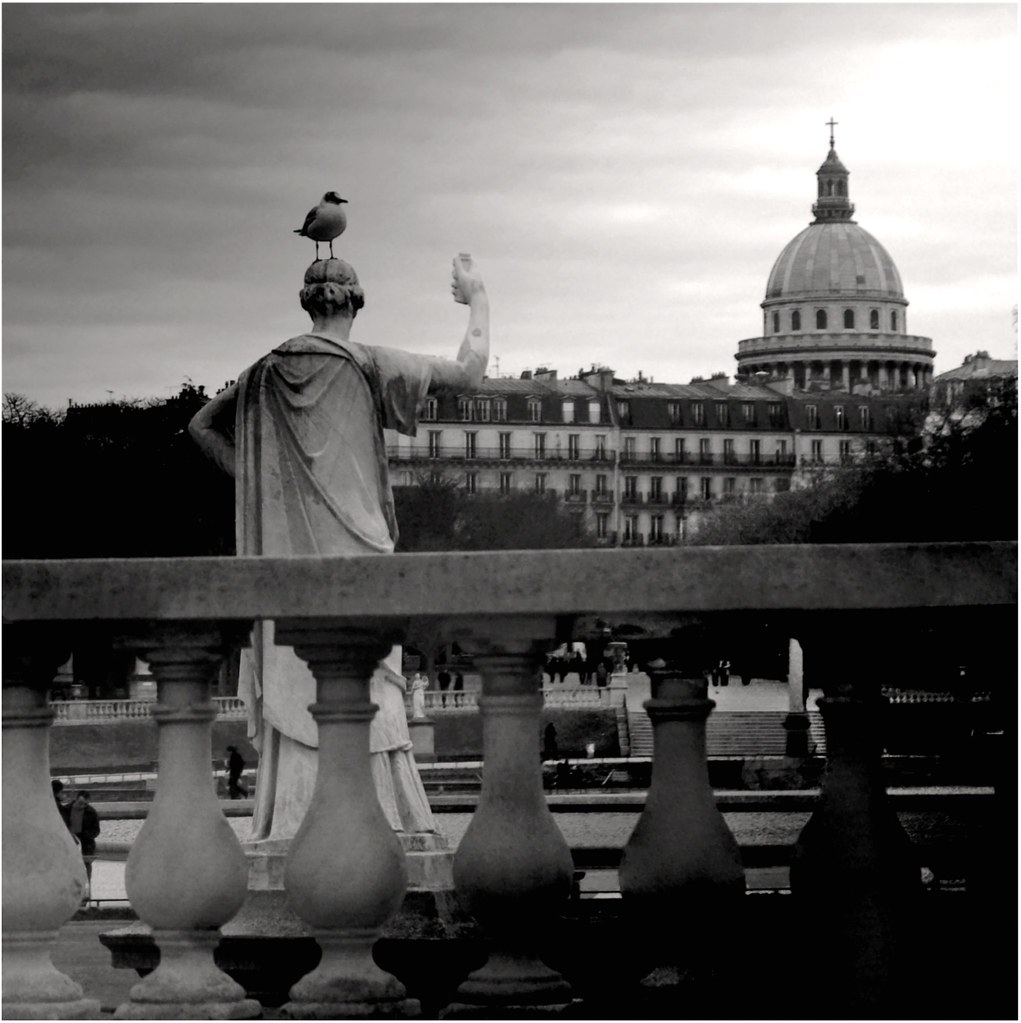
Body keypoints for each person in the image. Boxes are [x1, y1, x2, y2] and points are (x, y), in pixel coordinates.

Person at [189, 253, 488, 842]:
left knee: (295, 675)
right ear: (356, 300)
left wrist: (257, 480)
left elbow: (200, 426)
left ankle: (293, 823)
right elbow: (470, 370)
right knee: (372, 687)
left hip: (286, 564)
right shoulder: (371, 362)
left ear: (308, 302)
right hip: (360, 552)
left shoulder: (264, 369)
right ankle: (383, 821)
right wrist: (477, 297)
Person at [69, 791, 100, 893]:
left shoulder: (91, 812)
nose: (82, 806)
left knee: (86, 865)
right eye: (80, 803)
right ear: (76, 799)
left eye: (85, 804)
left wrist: (87, 835)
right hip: (70, 842)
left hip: (86, 844)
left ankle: (87, 888)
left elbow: (96, 830)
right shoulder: (66, 809)